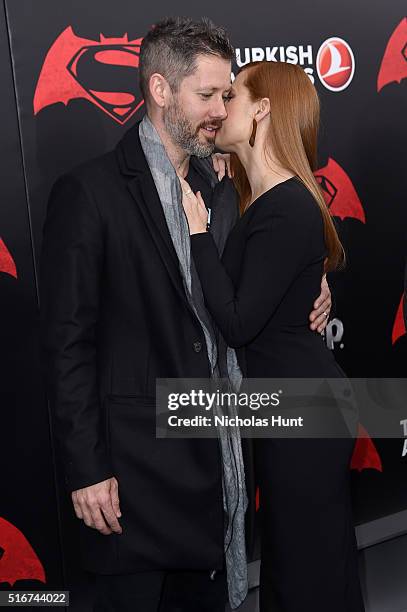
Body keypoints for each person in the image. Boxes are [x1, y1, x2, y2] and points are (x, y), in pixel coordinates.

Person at [39, 18, 332, 612]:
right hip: (137, 478)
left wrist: (316, 289)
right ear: (160, 89)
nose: (221, 111)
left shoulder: (224, 190)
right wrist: (87, 469)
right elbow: (68, 344)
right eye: (207, 96)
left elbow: (253, 286)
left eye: (227, 96)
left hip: (218, 470)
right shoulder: (90, 193)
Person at [180, 60, 365, 611]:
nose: (220, 108)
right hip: (282, 406)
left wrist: (196, 235)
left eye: (232, 95)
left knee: (311, 567)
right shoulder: (254, 198)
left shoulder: (285, 206)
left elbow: (237, 323)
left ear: (262, 110)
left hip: (304, 409)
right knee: (294, 560)